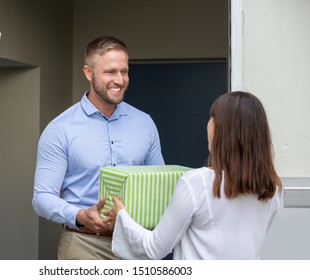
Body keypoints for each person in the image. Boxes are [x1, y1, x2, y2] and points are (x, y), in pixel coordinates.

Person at [105, 91, 282, 260]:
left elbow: (154, 248)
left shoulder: (196, 183)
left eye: (212, 118)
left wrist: (122, 216)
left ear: (222, 130)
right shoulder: (273, 189)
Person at [32, 36, 165, 260]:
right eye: (110, 72)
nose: (120, 80)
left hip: (137, 243)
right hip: (84, 244)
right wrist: (80, 215)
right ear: (88, 72)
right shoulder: (60, 129)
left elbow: (160, 184)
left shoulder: (145, 123)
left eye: (124, 71)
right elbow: (42, 197)